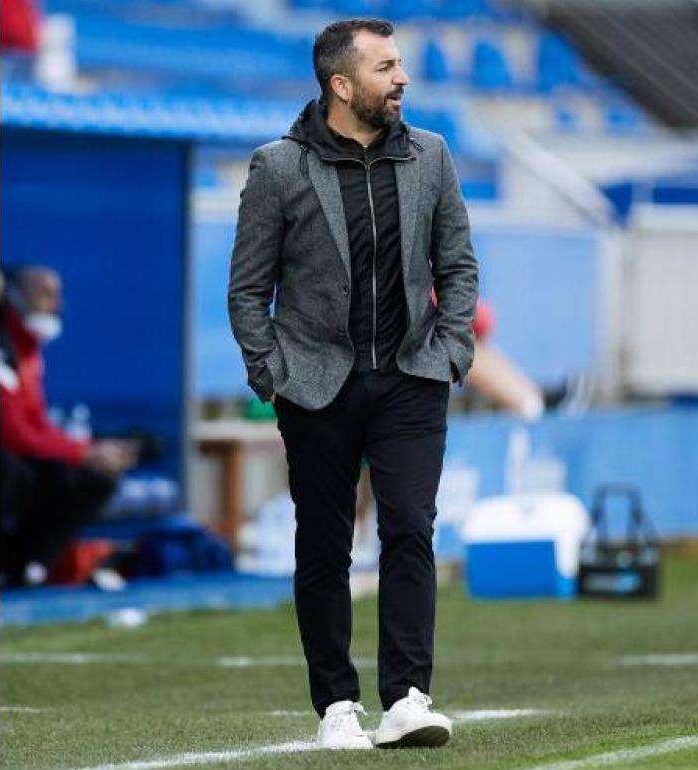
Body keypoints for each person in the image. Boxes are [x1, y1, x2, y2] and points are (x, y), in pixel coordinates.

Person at [228, 18, 478, 750]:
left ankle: (407, 697)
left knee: (409, 528)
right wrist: (272, 374)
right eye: (385, 67)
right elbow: (248, 290)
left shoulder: (432, 155)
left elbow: (458, 266)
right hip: (315, 385)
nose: (402, 78)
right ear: (341, 84)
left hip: (412, 376)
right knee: (324, 544)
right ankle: (337, 706)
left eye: (399, 65)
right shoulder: (279, 167)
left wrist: (450, 350)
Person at [0, 266, 137, 587]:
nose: (56, 304)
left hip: (18, 455)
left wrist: (88, 450)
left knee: (89, 478)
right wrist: (83, 452)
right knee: (11, 472)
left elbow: (33, 423)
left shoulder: (24, 351)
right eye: (44, 294)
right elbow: (13, 432)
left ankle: (29, 567)